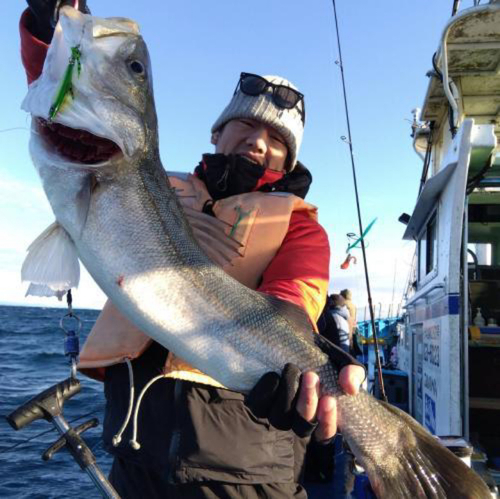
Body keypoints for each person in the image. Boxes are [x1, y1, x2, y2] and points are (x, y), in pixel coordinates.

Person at [20, 1, 366, 497]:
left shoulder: (299, 227)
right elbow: (58, 90)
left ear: (289, 158)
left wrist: (307, 365)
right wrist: (47, 23)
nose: (258, 142)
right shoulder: (155, 183)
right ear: (217, 132)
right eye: (246, 126)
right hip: (135, 453)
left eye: (276, 138)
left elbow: (293, 303)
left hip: (246, 474)